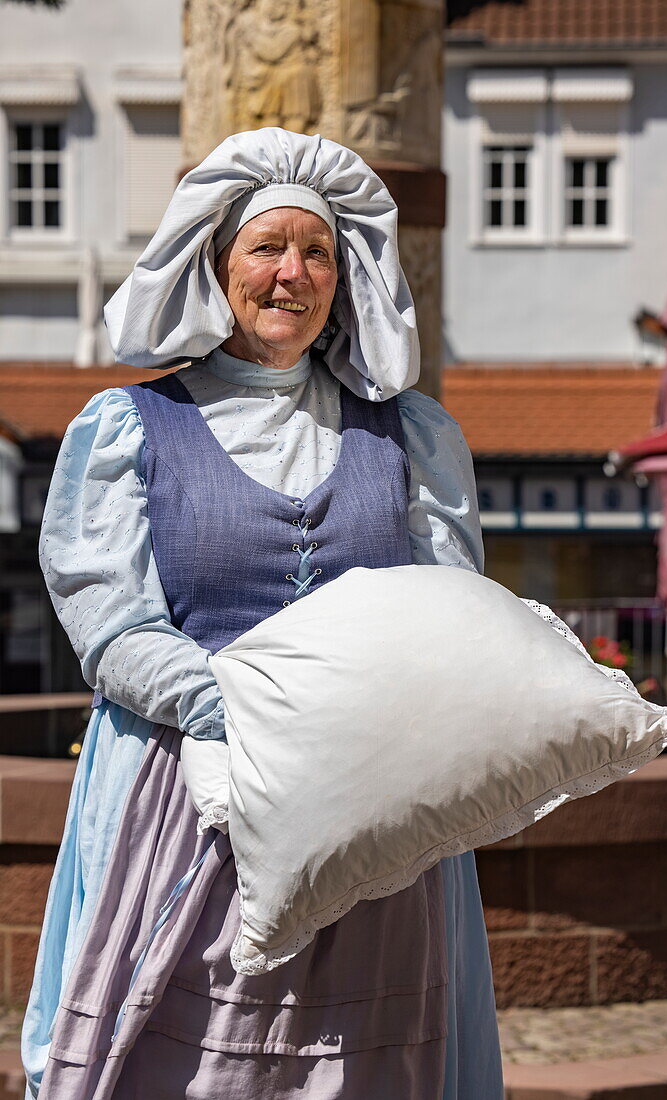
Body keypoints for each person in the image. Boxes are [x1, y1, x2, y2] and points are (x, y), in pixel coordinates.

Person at [22, 128, 504, 1099]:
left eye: (317, 251)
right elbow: (110, 621)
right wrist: (255, 714)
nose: (292, 272)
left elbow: (448, 613)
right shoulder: (129, 428)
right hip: (183, 803)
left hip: (371, 810)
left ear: (346, 274)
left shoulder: (407, 435)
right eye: (266, 247)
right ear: (216, 263)